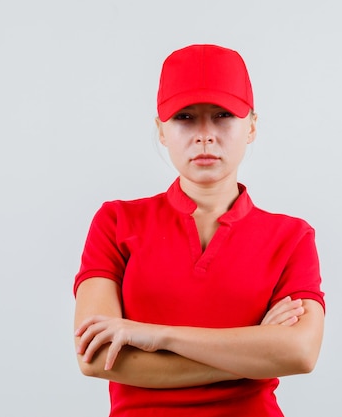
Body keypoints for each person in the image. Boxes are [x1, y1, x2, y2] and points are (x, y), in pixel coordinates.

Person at [73, 44, 325, 417]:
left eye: (223, 115)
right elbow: (94, 358)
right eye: (185, 117)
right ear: (161, 129)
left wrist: (158, 336)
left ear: (252, 125)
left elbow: (301, 353)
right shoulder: (115, 222)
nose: (205, 135)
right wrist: (255, 354)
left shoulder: (291, 237)